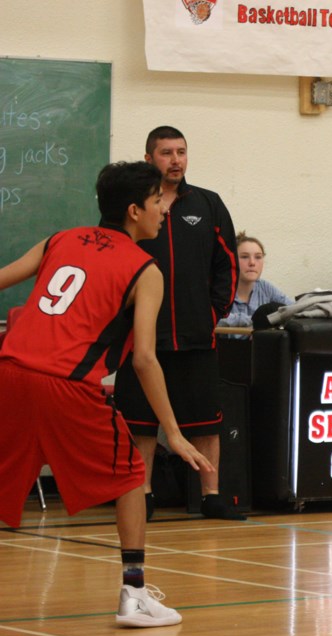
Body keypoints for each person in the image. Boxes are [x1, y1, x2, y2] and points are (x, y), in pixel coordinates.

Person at [0, 161, 213, 627]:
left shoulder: (60, 239)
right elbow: (143, 359)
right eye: (159, 201)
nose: (164, 209)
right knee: (132, 476)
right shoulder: (145, 269)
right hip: (66, 387)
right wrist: (173, 433)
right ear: (135, 210)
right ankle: (134, 593)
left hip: (9, 373)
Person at [113, 126, 242, 521]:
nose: (175, 160)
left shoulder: (207, 203)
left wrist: (212, 313)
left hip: (195, 332)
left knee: (206, 419)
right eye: (166, 152)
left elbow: (228, 263)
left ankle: (212, 495)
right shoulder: (132, 206)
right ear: (149, 157)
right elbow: (114, 263)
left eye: (181, 152)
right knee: (141, 421)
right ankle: (144, 495)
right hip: (142, 336)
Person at [218, 231, 293, 330]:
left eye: (258, 257)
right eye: (244, 257)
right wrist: (258, 320)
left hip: (259, 345)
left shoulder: (266, 288)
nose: (252, 263)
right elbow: (207, 318)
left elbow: (293, 309)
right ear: (232, 260)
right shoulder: (219, 288)